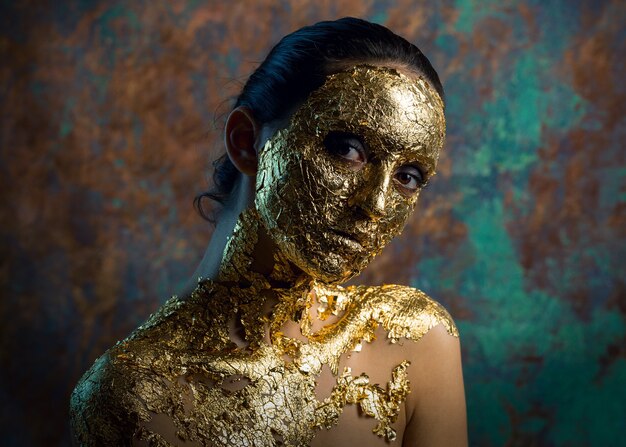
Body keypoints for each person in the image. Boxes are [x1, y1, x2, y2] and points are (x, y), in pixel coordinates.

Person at [70, 17, 467, 447]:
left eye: (408, 176)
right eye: (347, 149)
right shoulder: (129, 396)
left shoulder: (413, 341)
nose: (374, 205)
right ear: (246, 142)